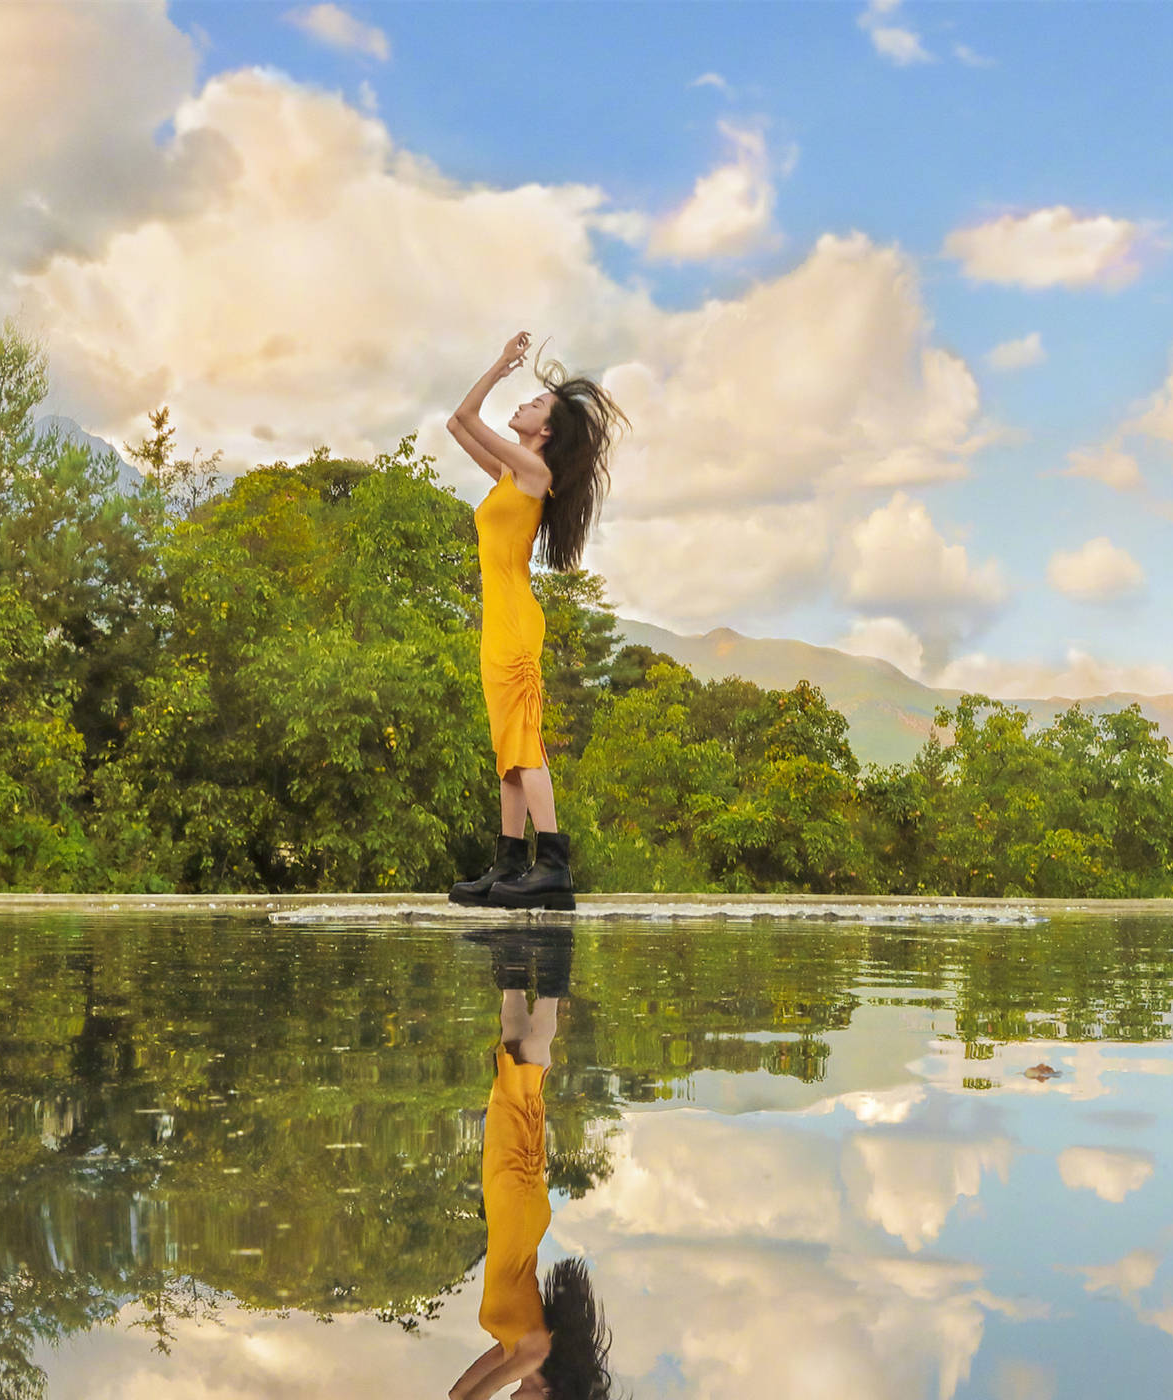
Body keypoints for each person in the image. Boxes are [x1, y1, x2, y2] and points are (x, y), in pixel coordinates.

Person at [446, 332, 630, 911]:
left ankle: (552, 864)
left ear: (545, 433)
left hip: (517, 622)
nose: (523, 407)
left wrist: (501, 364)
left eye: (535, 407)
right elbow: (456, 428)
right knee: (508, 748)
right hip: (498, 622)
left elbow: (464, 414)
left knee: (525, 742)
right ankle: (509, 860)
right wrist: (498, 370)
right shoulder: (509, 474)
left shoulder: (532, 472)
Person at [450, 927, 614, 1400]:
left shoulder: (513, 1352)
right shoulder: (535, 1352)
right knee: (525, 1086)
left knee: (512, 1059)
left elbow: (456, 1397)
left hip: (510, 1212)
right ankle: (556, 959)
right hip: (517, 1209)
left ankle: (515, 951)